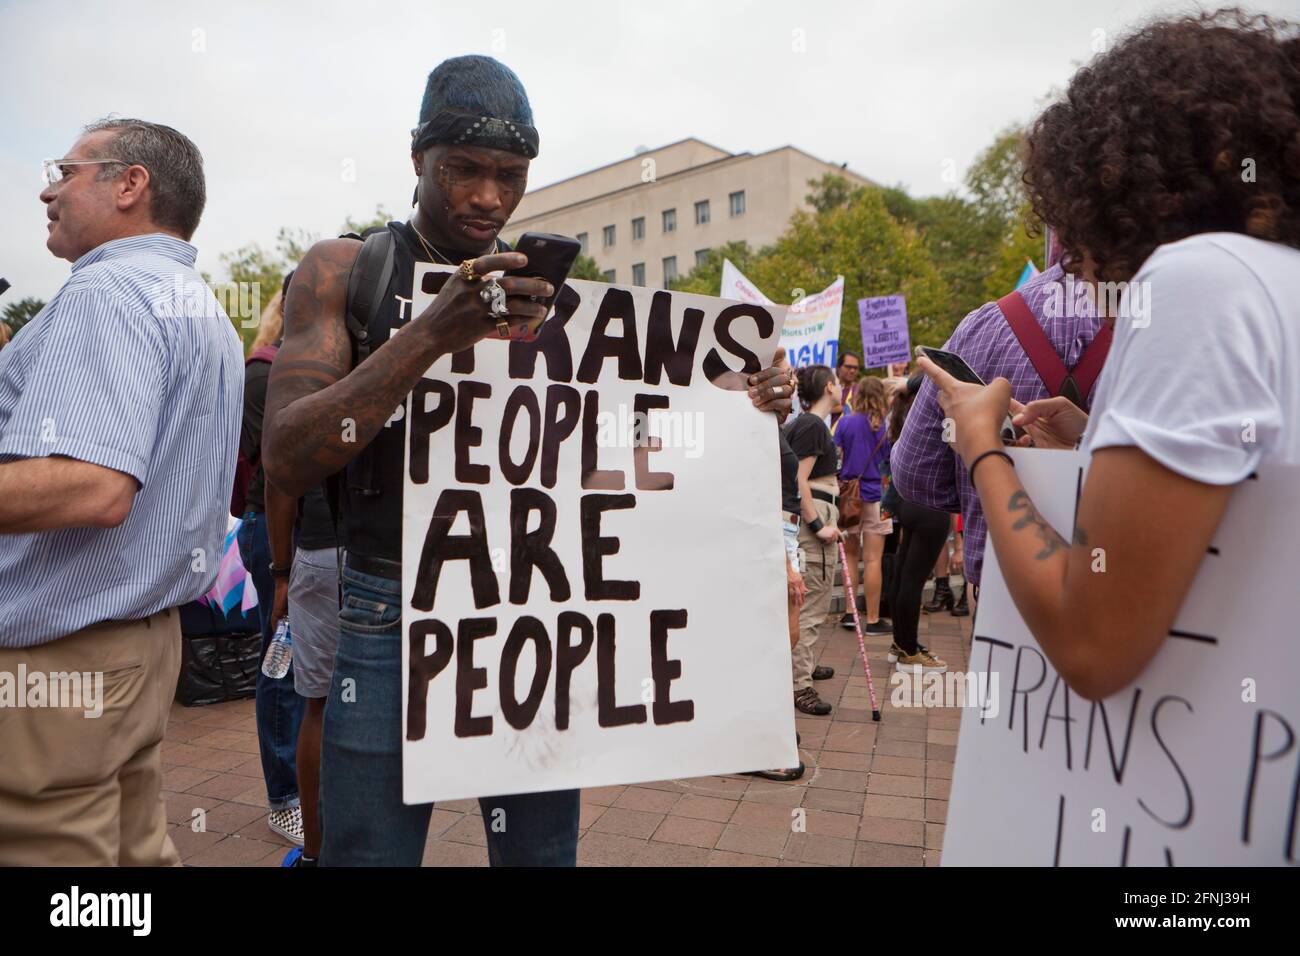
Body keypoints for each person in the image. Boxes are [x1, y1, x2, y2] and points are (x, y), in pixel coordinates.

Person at [262, 55, 796, 866]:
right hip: (386, 605)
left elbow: (630, 450)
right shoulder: (347, 269)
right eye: (462, 171)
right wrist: (429, 337)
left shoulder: (556, 297)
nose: (487, 197)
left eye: (509, 175)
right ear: (417, 159)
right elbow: (289, 457)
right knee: (368, 851)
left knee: (541, 853)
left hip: (527, 611)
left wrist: (745, 405)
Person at [917, 8, 1300, 701]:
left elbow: (1091, 644)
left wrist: (983, 447)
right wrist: (1097, 438)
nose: (1081, 277)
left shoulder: (1202, 282)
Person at [0, 118, 242, 865]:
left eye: (66, 172)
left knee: (52, 857)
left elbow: (93, 488)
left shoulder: (108, 292)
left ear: (130, 184)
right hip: (135, 638)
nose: (47, 189)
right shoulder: (192, 300)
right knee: (130, 853)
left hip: (62, 648)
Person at [892, 265, 1106, 607]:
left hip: (1001, 600)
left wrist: (981, 463)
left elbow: (916, 475)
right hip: (1124, 586)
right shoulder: (1167, 326)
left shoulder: (984, 325)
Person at [237, 279, 307, 846]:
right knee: (280, 659)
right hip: (273, 531)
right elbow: (283, 461)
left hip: (308, 531)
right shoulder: (264, 372)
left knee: (303, 659)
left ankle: (306, 785)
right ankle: (284, 797)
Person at [784, 364, 843, 716]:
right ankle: (798, 683)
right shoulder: (812, 425)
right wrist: (818, 522)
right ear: (830, 387)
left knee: (810, 603)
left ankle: (801, 667)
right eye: (837, 381)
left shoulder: (807, 424)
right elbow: (799, 478)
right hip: (815, 516)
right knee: (810, 604)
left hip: (816, 511)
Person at [884, 377, 949, 672]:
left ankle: (901, 644)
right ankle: (908, 650)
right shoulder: (934, 420)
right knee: (912, 579)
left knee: (903, 573)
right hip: (931, 505)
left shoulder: (906, 421)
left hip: (909, 502)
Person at [834, 376, 893, 635]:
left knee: (849, 556)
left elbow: (838, 456)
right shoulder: (887, 428)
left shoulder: (845, 423)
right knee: (873, 560)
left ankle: (850, 614)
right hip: (878, 496)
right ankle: (872, 618)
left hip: (849, 497)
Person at [830, 350, 860, 427]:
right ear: (838, 367)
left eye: (855, 368)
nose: (852, 370)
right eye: (848, 367)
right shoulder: (829, 389)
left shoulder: (861, 390)